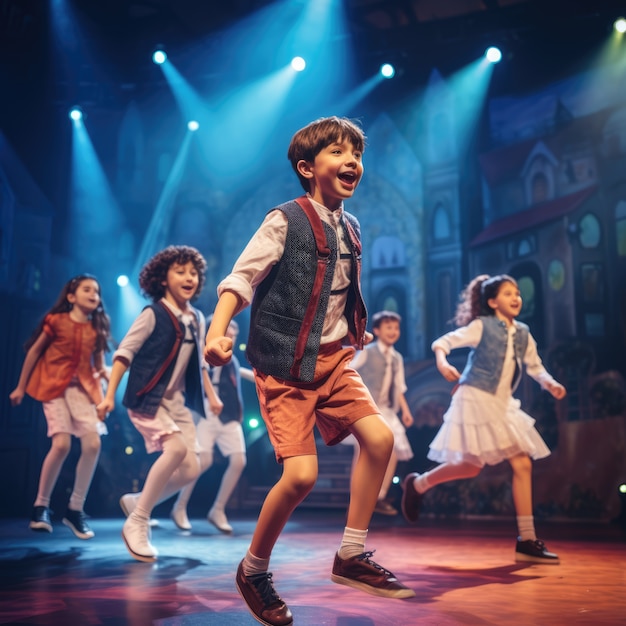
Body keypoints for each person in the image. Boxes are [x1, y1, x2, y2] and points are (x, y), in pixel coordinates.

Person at [205, 116, 415, 626]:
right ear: (306, 167)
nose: (352, 162)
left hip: (335, 361)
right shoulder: (285, 219)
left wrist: (353, 327)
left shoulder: (353, 226)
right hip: (284, 366)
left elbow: (336, 289)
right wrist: (217, 332)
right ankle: (253, 570)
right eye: (338, 153)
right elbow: (242, 277)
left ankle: (351, 553)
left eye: (357, 155)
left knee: (381, 441)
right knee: (300, 476)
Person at [401, 274, 567, 564]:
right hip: (475, 398)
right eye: (507, 293)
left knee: (487, 465)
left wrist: (549, 383)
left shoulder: (524, 332)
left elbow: (534, 365)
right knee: (481, 465)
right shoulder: (482, 326)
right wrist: (442, 363)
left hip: (503, 403)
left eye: (517, 292)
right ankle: (526, 538)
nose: (516, 297)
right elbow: (443, 343)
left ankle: (418, 485)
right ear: (492, 302)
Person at [96, 245, 217, 563]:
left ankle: (138, 501)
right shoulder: (152, 314)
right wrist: (108, 396)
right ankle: (137, 521)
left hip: (177, 403)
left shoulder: (197, 319)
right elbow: (123, 354)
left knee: (192, 467)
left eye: (193, 272)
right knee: (175, 450)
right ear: (163, 278)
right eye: (180, 271)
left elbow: (199, 364)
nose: (189, 277)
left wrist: (212, 395)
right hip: (147, 398)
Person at [9, 274, 112, 540]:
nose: (93, 294)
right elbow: (34, 352)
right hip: (53, 387)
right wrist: (20, 387)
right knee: (62, 444)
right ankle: (40, 506)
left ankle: (75, 509)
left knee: (93, 444)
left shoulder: (96, 329)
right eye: (87, 289)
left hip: (83, 391)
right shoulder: (55, 321)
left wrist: (106, 393)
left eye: (96, 292)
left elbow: (99, 367)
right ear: (71, 296)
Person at [170, 318, 254, 534]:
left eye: (235, 333)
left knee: (239, 461)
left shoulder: (233, 360)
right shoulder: (205, 352)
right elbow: (202, 371)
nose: (232, 336)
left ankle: (218, 509)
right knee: (202, 461)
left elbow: (242, 374)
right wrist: (212, 397)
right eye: (229, 331)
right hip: (209, 410)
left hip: (230, 415)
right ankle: (179, 507)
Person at [343, 310, 414, 516]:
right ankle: (355, 501)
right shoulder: (368, 351)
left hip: (387, 410)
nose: (393, 331)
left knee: (393, 451)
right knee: (362, 454)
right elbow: (349, 368)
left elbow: (399, 387)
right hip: (366, 409)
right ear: (377, 330)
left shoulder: (397, 358)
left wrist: (406, 411)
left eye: (396, 328)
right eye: (388, 327)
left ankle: (380, 496)